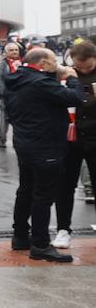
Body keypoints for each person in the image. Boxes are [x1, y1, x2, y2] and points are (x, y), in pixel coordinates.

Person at [3, 47, 84, 262]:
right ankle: (40, 244)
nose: (55, 65)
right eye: (52, 61)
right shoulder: (41, 82)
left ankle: (20, 236)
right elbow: (75, 97)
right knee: (43, 196)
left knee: (26, 190)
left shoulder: (15, 79)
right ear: (43, 63)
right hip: (46, 146)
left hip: (24, 143)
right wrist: (72, 78)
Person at [54, 41, 96, 248]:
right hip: (70, 137)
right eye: (78, 65)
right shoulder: (65, 75)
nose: (82, 69)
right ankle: (63, 229)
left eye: (87, 66)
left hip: (94, 136)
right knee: (65, 186)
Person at [0, 41, 22, 149]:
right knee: (4, 120)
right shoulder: (2, 63)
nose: (14, 52)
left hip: (20, 96)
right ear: (6, 52)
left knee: (19, 120)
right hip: (7, 96)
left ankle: (18, 141)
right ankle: (2, 140)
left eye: (16, 50)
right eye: (11, 50)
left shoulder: (22, 63)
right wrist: (5, 93)